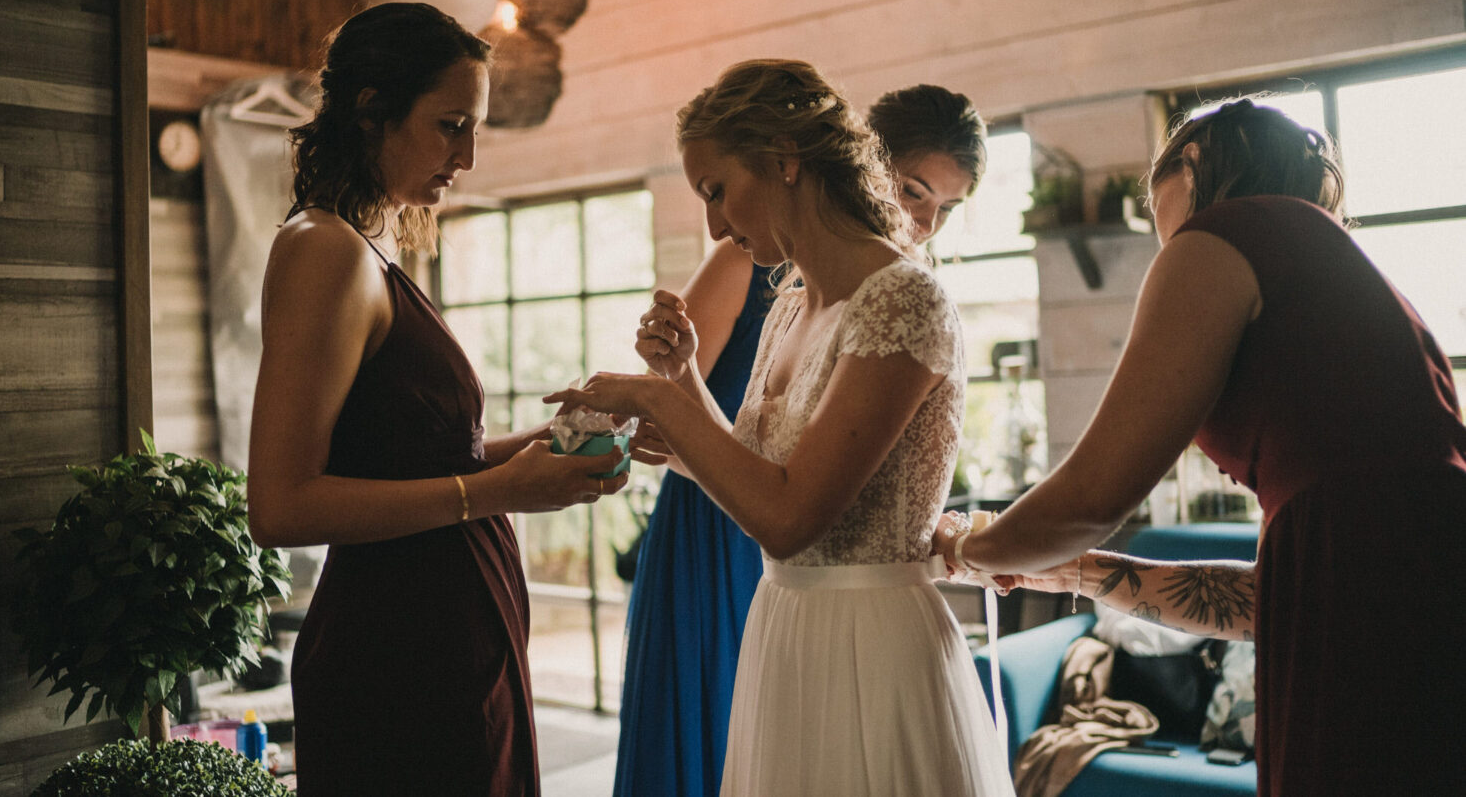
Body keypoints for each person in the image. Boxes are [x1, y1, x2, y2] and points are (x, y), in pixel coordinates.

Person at [936, 99, 1466, 795]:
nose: (1172, 250)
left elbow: (1093, 494)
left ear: (1193, 163)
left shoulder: (1228, 232)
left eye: (1168, 232)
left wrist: (961, 550)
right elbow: (1266, 601)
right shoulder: (1337, 281)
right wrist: (1082, 573)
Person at [549, 60, 1015, 796]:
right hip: (783, 627)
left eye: (716, 191)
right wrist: (684, 378)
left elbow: (792, 517)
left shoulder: (904, 299)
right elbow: (746, 466)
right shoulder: (791, 305)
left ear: (784, 161)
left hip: (871, 643)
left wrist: (664, 404)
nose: (712, 224)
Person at [245, 2, 628, 796]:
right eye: (451, 124)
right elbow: (280, 505)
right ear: (371, 110)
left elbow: (410, 458)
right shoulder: (324, 251)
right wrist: (499, 493)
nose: (469, 157)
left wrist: (549, 448)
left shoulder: (371, 249)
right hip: (396, 653)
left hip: (452, 642)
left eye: (475, 127)